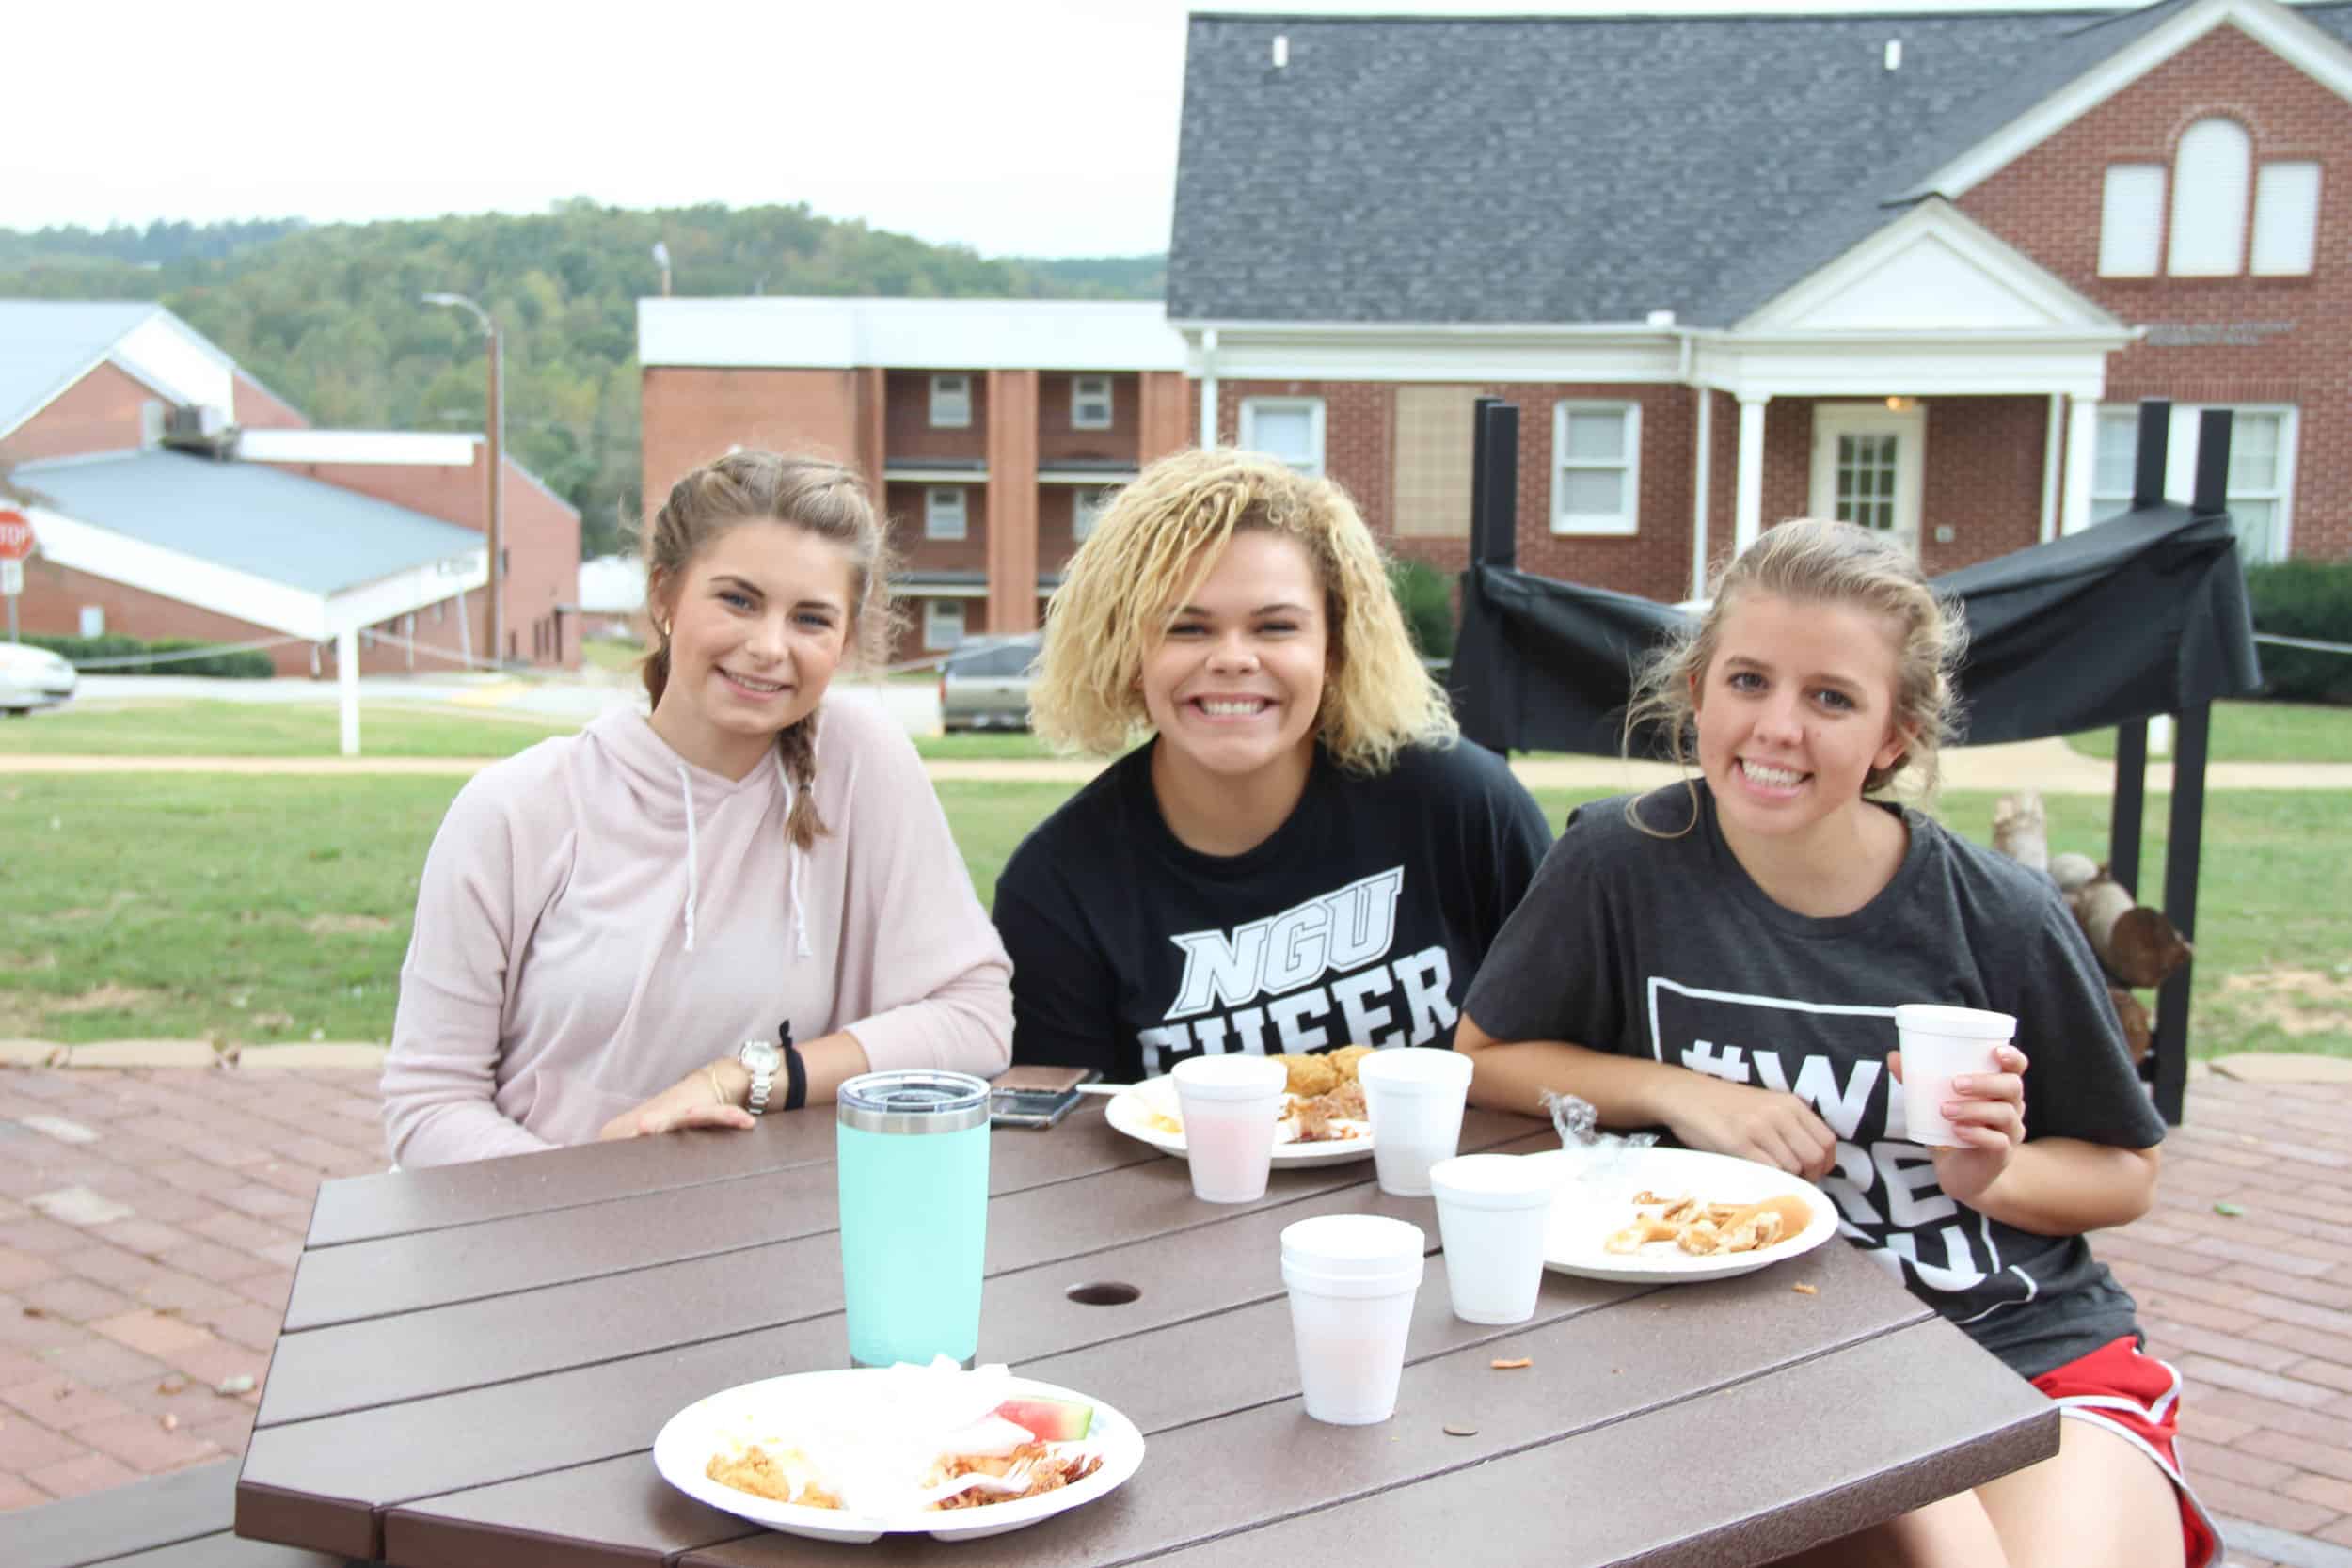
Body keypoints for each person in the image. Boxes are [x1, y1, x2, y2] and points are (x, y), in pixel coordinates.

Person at [1454, 518, 2209, 1568]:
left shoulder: (1998, 916)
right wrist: (1677, 1090)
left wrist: (1991, 1171)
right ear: (1698, 691)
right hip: (1761, 1352)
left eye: (1831, 697)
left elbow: (2126, 1173)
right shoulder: (1621, 864)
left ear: (1892, 735)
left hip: (2018, 1344)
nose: (1776, 727)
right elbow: (1486, 1055)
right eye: (1749, 680)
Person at [382, 451, 1012, 1167]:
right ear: (664, 594)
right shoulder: (515, 811)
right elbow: (426, 1105)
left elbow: (976, 1020)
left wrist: (750, 1076)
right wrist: (581, 1193)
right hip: (542, 1243)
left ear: (844, 639)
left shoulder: (859, 764)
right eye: (738, 600)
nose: (769, 646)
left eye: (811, 618)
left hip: (772, 1250)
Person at [994, 447, 1551, 1084]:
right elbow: (1067, 1156)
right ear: (1127, 651)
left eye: (1276, 627)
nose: (1233, 658)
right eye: (1187, 628)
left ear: (1335, 645)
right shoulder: (1057, 888)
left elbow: (1569, 1059)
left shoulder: (1464, 808)